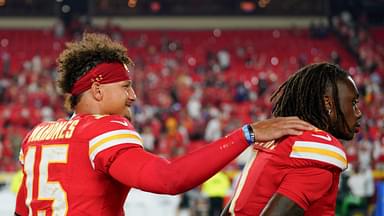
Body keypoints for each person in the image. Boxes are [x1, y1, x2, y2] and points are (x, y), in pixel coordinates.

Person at [14, 33, 314, 216]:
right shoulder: (103, 129)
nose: (132, 96)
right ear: (97, 89)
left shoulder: (37, 135)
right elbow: (169, 179)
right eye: (125, 86)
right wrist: (246, 134)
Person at [222, 62, 362, 216]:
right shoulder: (317, 149)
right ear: (328, 103)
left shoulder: (279, 140)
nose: (358, 112)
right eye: (353, 103)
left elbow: (232, 209)